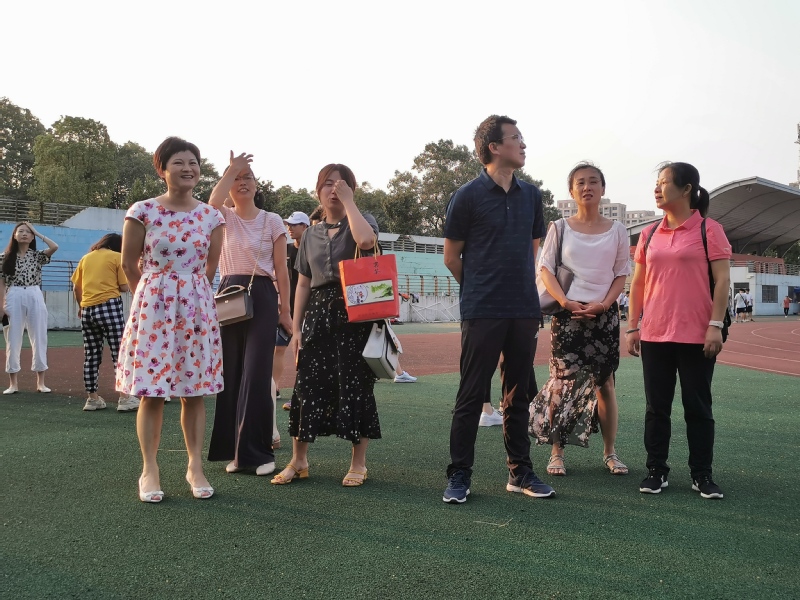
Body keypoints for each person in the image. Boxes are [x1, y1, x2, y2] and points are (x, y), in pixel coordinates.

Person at [442, 115, 554, 503]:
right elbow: (451, 257)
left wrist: (519, 292)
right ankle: (459, 474)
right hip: (483, 309)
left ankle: (520, 472)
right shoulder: (467, 196)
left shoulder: (531, 195)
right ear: (493, 147)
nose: (523, 144)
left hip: (523, 309)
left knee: (518, 395)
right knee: (471, 393)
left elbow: (531, 252)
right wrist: (479, 289)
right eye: (515, 138)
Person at [116, 136, 225, 503]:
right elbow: (128, 263)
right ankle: (149, 468)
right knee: (152, 392)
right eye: (178, 162)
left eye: (193, 162)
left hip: (195, 306)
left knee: (194, 392)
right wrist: (151, 298)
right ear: (162, 169)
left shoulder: (211, 216)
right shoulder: (142, 210)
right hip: (154, 308)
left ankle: (195, 466)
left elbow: (209, 268)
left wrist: (187, 296)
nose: (187, 168)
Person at [271, 164, 380, 488]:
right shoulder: (311, 234)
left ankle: (358, 463)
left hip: (356, 312)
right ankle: (299, 460)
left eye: (342, 184)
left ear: (352, 189)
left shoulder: (362, 219)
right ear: (318, 190)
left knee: (356, 385)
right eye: (329, 184)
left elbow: (366, 241)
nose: (335, 189)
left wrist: (349, 203)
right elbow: (304, 282)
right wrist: (296, 328)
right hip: (318, 313)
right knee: (307, 384)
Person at [627, 162, 731, 500]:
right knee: (656, 408)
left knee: (697, 407)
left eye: (664, 182)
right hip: (655, 334)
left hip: (697, 336)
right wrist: (632, 326)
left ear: (686, 189)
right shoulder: (649, 234)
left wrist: (715, 325)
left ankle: (702, 474)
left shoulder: (709, 230)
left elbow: (723, 281)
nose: (657, 189)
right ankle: (656, 470)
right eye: (656, 183)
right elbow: (638, 283)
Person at [529, 163, 630, 477]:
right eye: (581, 183)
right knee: (563, 384)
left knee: (606, 385)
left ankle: (610, 452)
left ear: (603, 188)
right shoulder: (559, 227)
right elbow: (546, 269)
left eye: (593, 182)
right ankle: (557, 453)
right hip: (567, 315)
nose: (587, 187)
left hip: (604, 317)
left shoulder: (618, 230)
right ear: (571, 191)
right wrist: (564, 301)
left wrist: (603, 305)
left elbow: (621, 274)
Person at [207, 152, 292, 476]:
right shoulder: (223, 217)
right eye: (237, 178)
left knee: (256, 373)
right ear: (229, 184)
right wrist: (232, 169)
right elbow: (211, 203)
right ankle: (236, 452)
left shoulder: (272, 220)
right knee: (231, 374)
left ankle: (261, 454)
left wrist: (285, 310)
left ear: (257, 185)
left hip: (263, 295)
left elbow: (282, 269)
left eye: (248, 177)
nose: (242, 183)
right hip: (229, 294)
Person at [71, 233, 139, 412]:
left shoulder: (86, 258)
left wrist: (81, 306)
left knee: (91, 355)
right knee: (119, 353)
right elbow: (123, 286)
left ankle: (92, 398)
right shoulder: (117, 257)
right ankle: (125, 398)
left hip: (87, 309)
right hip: (109, 308)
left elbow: (76, 287)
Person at [0, 221, 59, 394]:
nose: (24, 234)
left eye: (28, 232)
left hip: (34, 293)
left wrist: (38, 232)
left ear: (32, 236)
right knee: (12, 338)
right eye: (20, 231)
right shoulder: (4, 257)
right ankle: (13, 383)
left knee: (39, 336)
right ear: (14, 235)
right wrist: (1, 305)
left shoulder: (37, 256)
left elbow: (54, 247)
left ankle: (41, 383)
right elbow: (1, 283)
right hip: (13, 294)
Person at [276, 211, 309, 411]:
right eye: (288, 224)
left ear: (305, 227)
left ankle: (300, 395)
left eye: (294, 224)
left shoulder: (312, 249)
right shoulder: (286, 250)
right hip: (286, 309)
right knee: (278, 347)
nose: (290, 228)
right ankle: (274, 388)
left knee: (303, 352)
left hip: (307, 309)